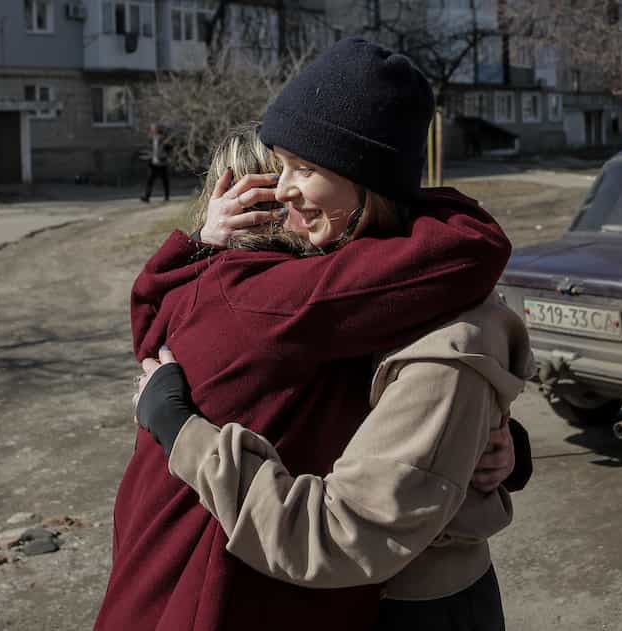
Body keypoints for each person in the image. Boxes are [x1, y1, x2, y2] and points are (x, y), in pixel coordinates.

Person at [95, 37, 515, 631]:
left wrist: (486, 441)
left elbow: (367, 479)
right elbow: (473, 247)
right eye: (277, 171)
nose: (285, 194)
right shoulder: (296, 300)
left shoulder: (273, 296)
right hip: (259, 591)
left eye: (304, 169)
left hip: (397, 600)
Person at [140, 123, 170, 202]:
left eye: (153, 129)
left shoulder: (164, 139)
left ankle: (166, 197)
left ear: (157, 130)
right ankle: (146, 197)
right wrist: (147, 156)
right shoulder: (151, 139)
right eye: (151, 129)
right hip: (153, 163)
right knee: (149, 180)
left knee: (164, 181)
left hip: (162, 163)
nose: (152, 130)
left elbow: (168, 150)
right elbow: (150, 150)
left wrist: (164, 156)